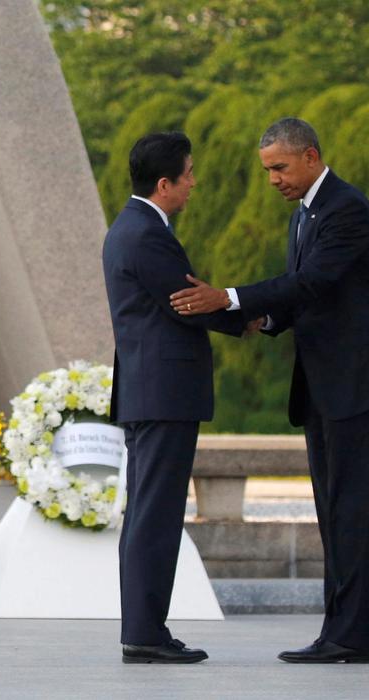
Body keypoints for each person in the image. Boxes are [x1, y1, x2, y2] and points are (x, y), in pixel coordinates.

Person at [169, 117, 369, 664]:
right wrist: (265, 321)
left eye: (279, 167)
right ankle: (336, 634)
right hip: (325, 383)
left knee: (350, 510)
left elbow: (312, 282)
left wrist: (228, 298)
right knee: (332, 508)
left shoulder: (347, 208)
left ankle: (349, 638)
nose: (273, 179)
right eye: (267, 170)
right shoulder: (304, 216)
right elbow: (305, 298)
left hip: (358, 381)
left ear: (311, 157)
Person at [102, 131, 249, 664]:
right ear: (164, 184)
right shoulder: (146, 234)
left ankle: (144, 629)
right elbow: (189, 302)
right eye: (187, 175)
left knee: (148, 513)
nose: (193, 183)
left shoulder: (131, 226)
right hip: (164, 394)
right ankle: (144, 633)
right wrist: (253, 312)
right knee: (155, 516)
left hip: (148, 392)